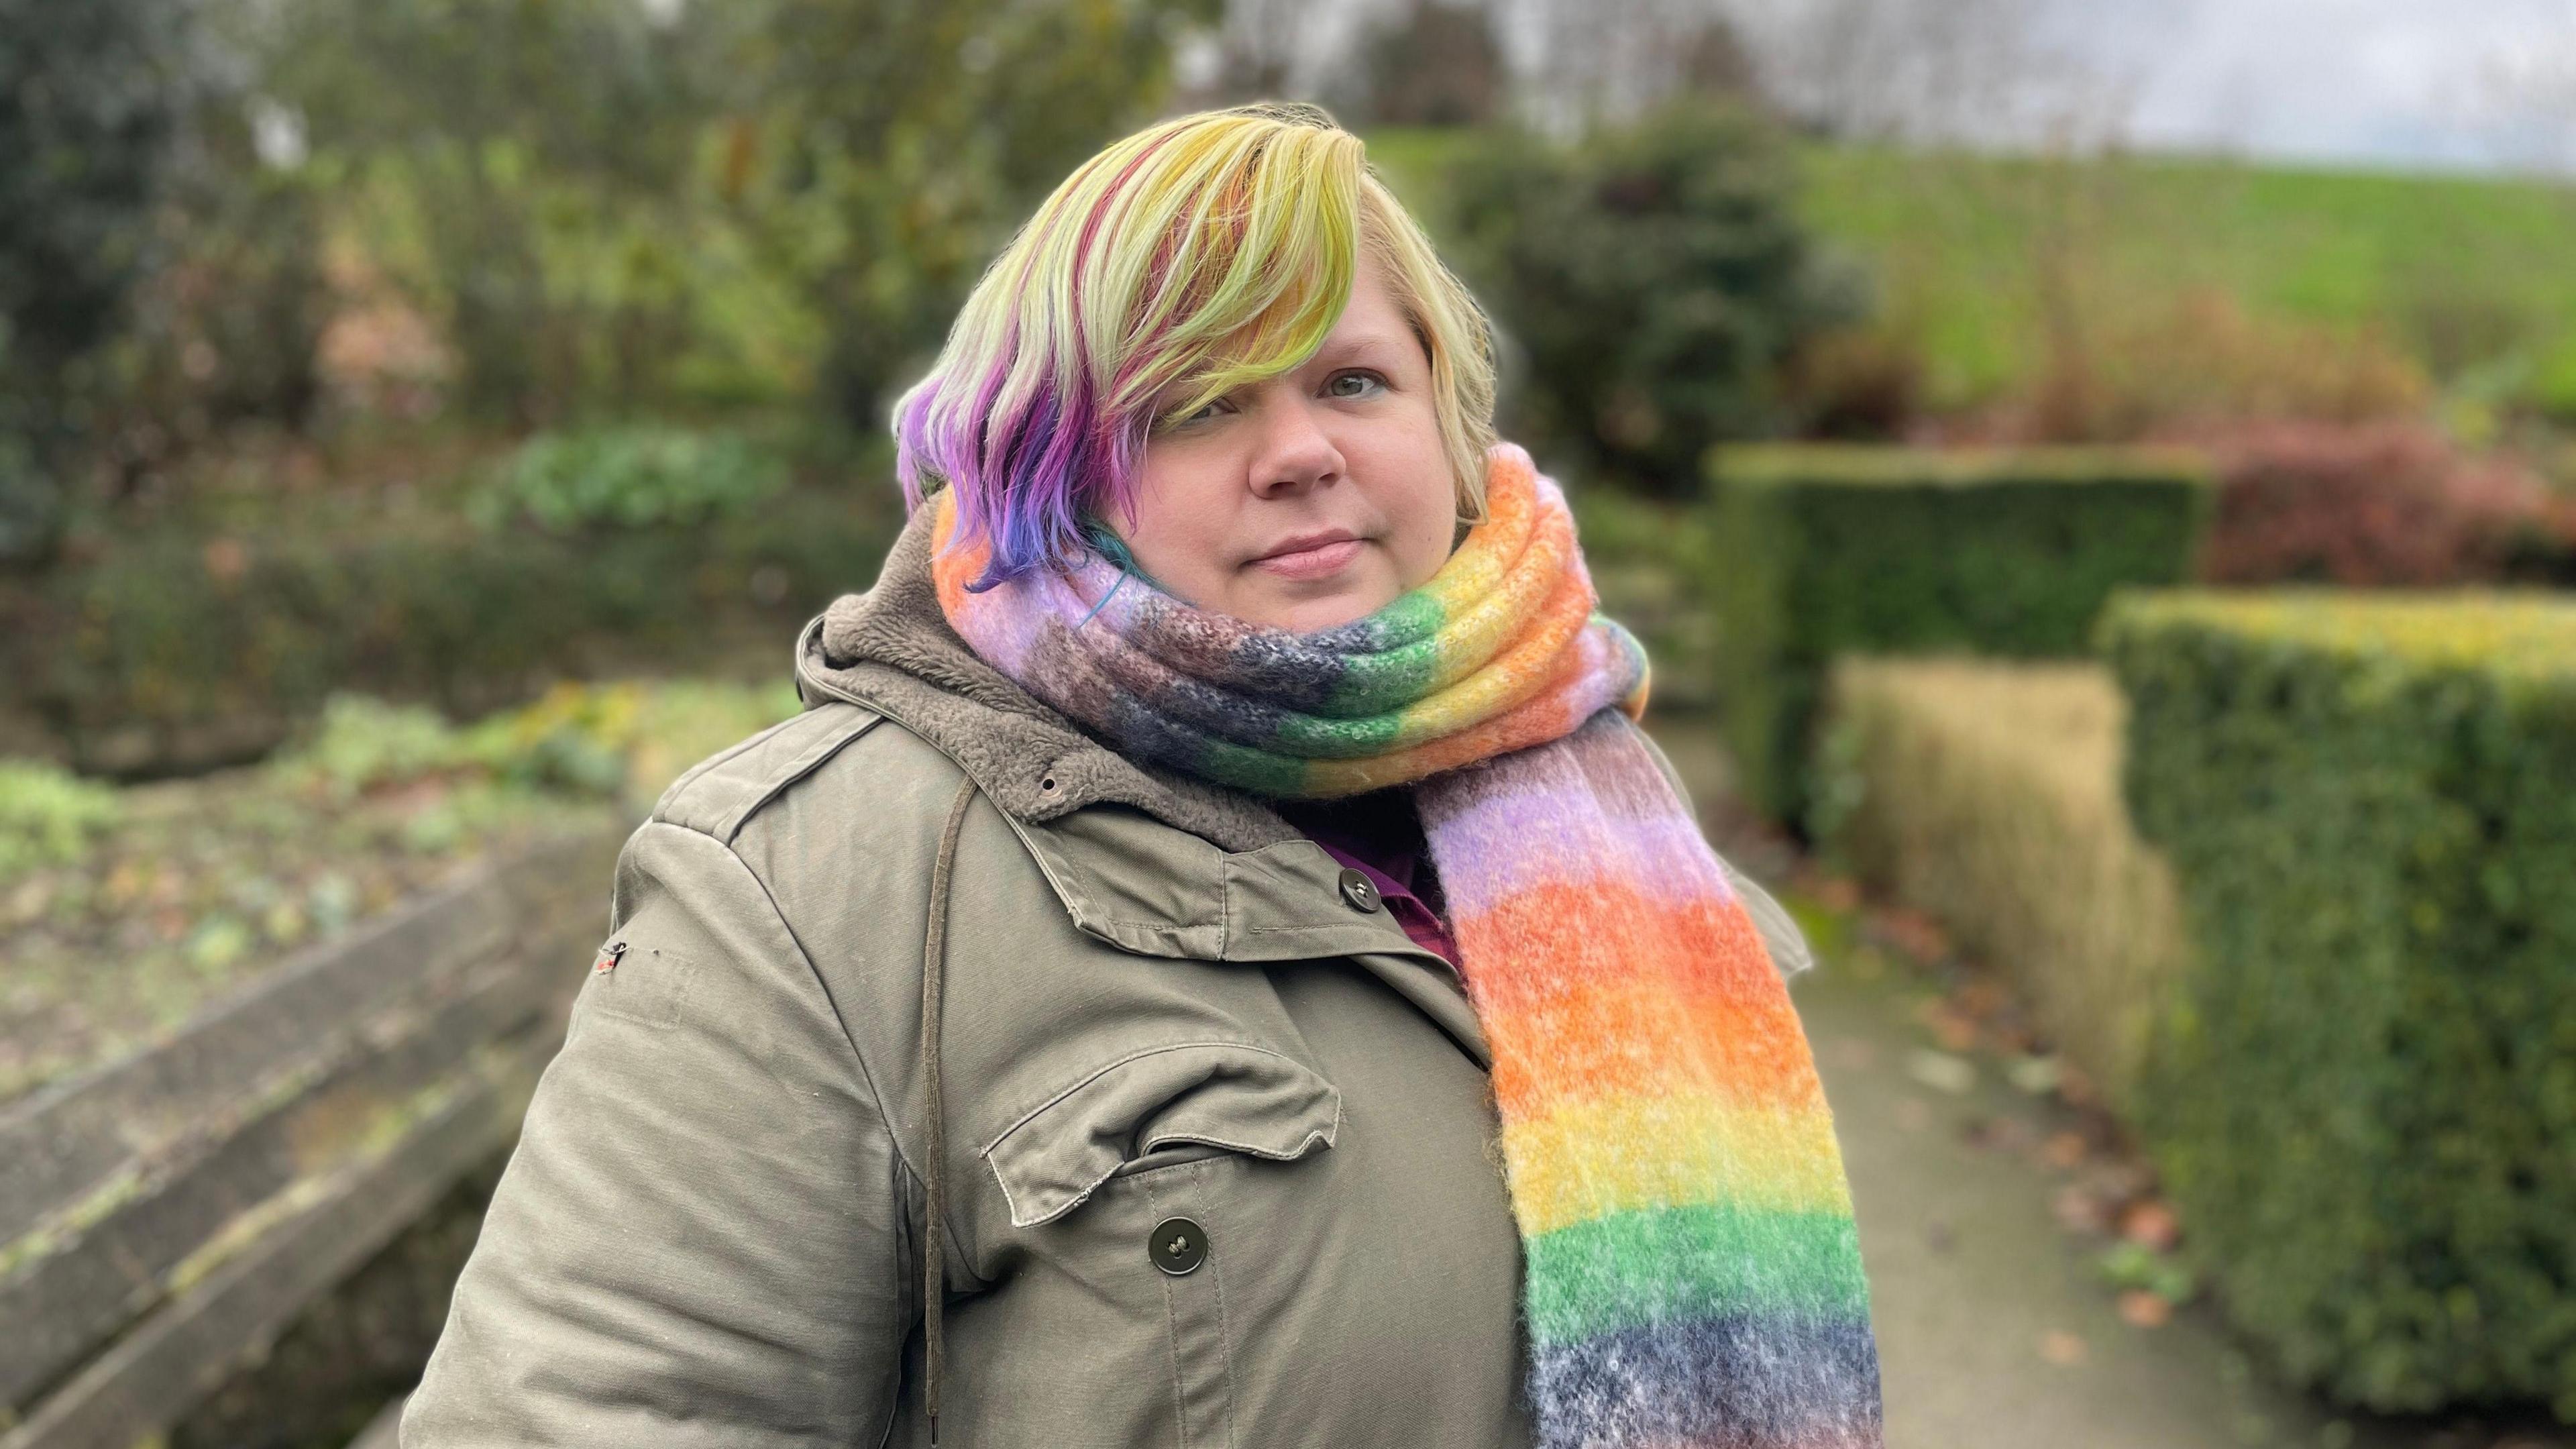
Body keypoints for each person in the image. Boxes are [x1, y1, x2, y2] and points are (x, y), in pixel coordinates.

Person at [403, 102, 1882, 1449]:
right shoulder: (811, 886)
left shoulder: (1591, 788)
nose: (1299, 451)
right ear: (1057, 474)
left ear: (1446, 415)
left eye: (1353, 380)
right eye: (1198, 405)